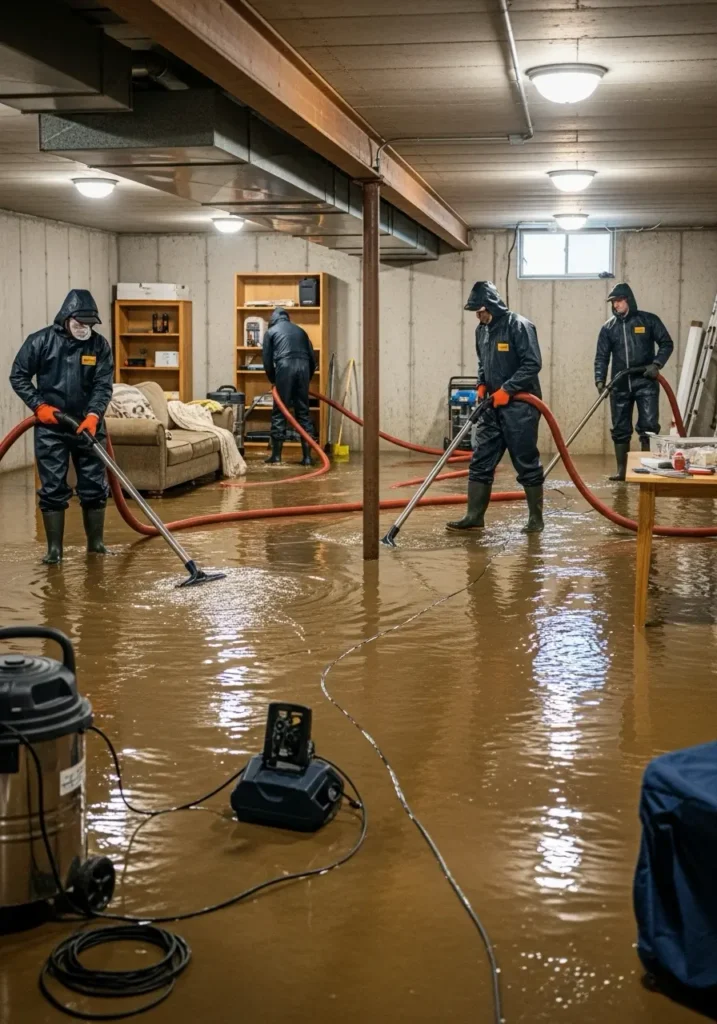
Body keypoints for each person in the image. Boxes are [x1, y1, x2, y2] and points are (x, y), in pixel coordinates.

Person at [10, 289, 114, 564]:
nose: (84, 330)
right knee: (53, 488)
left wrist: (94, 415)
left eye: (89, 325)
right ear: (66, 319)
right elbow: (18, 376)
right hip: (51, 428)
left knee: (94, 485)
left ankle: (96, 545)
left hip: (88, 427)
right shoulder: (40, 342)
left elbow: (103, 385)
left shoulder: (99, 346)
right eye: (80, 324)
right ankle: (54, 551)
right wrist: (39, 406)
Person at [447, 281, 544, 534]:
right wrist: (481, 384)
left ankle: (536, 519)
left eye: (480, 311)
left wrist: (508, 389)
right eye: (475, 313)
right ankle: (474, 516)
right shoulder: (482, 331)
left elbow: (532, 364)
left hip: (521, 407)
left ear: (492, 305)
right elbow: (483, 362)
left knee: (525, 461)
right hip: (492, 405)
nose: (478, 316)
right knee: (481, 460)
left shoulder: (519, 326)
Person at [594, 283, 674, 481]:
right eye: (613, 302)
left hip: (645, 382)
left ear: (628, 300)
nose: (615, 305)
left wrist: (656, 364)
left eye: (619, 301)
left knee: (648, 426)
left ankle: (647, 466)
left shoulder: (648, 320)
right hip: (620, 385)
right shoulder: (608, 328)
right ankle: (622, 470)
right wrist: (599, 380)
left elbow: (666, 343)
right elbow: (602, 357)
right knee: (620, 428)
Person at [262, 307, 317, 466]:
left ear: (273, 320)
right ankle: (307, 457)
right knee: (303, 412)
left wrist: (273, 380)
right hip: (304, 368)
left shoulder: (271, 332)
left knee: (280, 411)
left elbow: (266, 361)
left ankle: (276, 456)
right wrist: (307, 379)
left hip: (284, 367)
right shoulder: (301, 331)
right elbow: (313, 360)